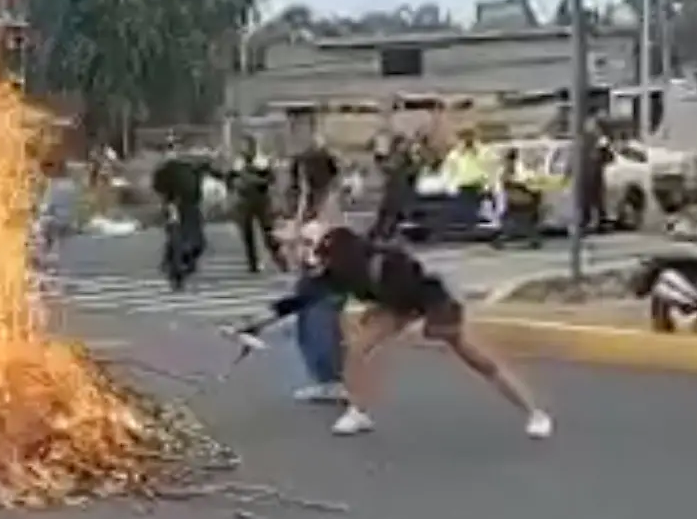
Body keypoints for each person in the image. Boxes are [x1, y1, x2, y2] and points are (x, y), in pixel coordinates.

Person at [235, 223, 553, 439]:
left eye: (315, 249)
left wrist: (413, 322)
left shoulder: (385, 261)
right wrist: (256, 323)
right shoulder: (337, 274)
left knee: (474, 358)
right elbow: (296, 302)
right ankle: (358, 412)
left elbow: (421, 287)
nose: (312, 259)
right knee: (358, 349)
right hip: (397, 306)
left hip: (432, 303)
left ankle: (534, 413)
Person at [284, 219, 346, 404]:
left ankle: (334, 381)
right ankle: (328, 381)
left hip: (322, 293)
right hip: (312, 292)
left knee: (320, 332)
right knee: (308, 331)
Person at [151, 138, 209, 291]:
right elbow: (158, 186)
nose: (174, 152)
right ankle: (176, 273)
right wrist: (169, 202)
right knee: (176, 240)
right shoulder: (165, 169)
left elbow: (198, 184)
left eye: (175, 148)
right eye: (170, 149)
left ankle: (183, 263)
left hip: (191, 207)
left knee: (197, 242)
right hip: (174, 206)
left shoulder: (190, 167)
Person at [227, 137, 281, 275]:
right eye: (243, 146)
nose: (245, 149)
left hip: (261, 199)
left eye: (247, 146)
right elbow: (230, 179)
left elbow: (272, 179)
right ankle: (253, 263)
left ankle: (279, 258)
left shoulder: (262, 161)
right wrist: (235, 185)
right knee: (247, 233)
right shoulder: (238, 163)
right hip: (245, 200)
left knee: (268, 230)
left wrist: (255, 179)